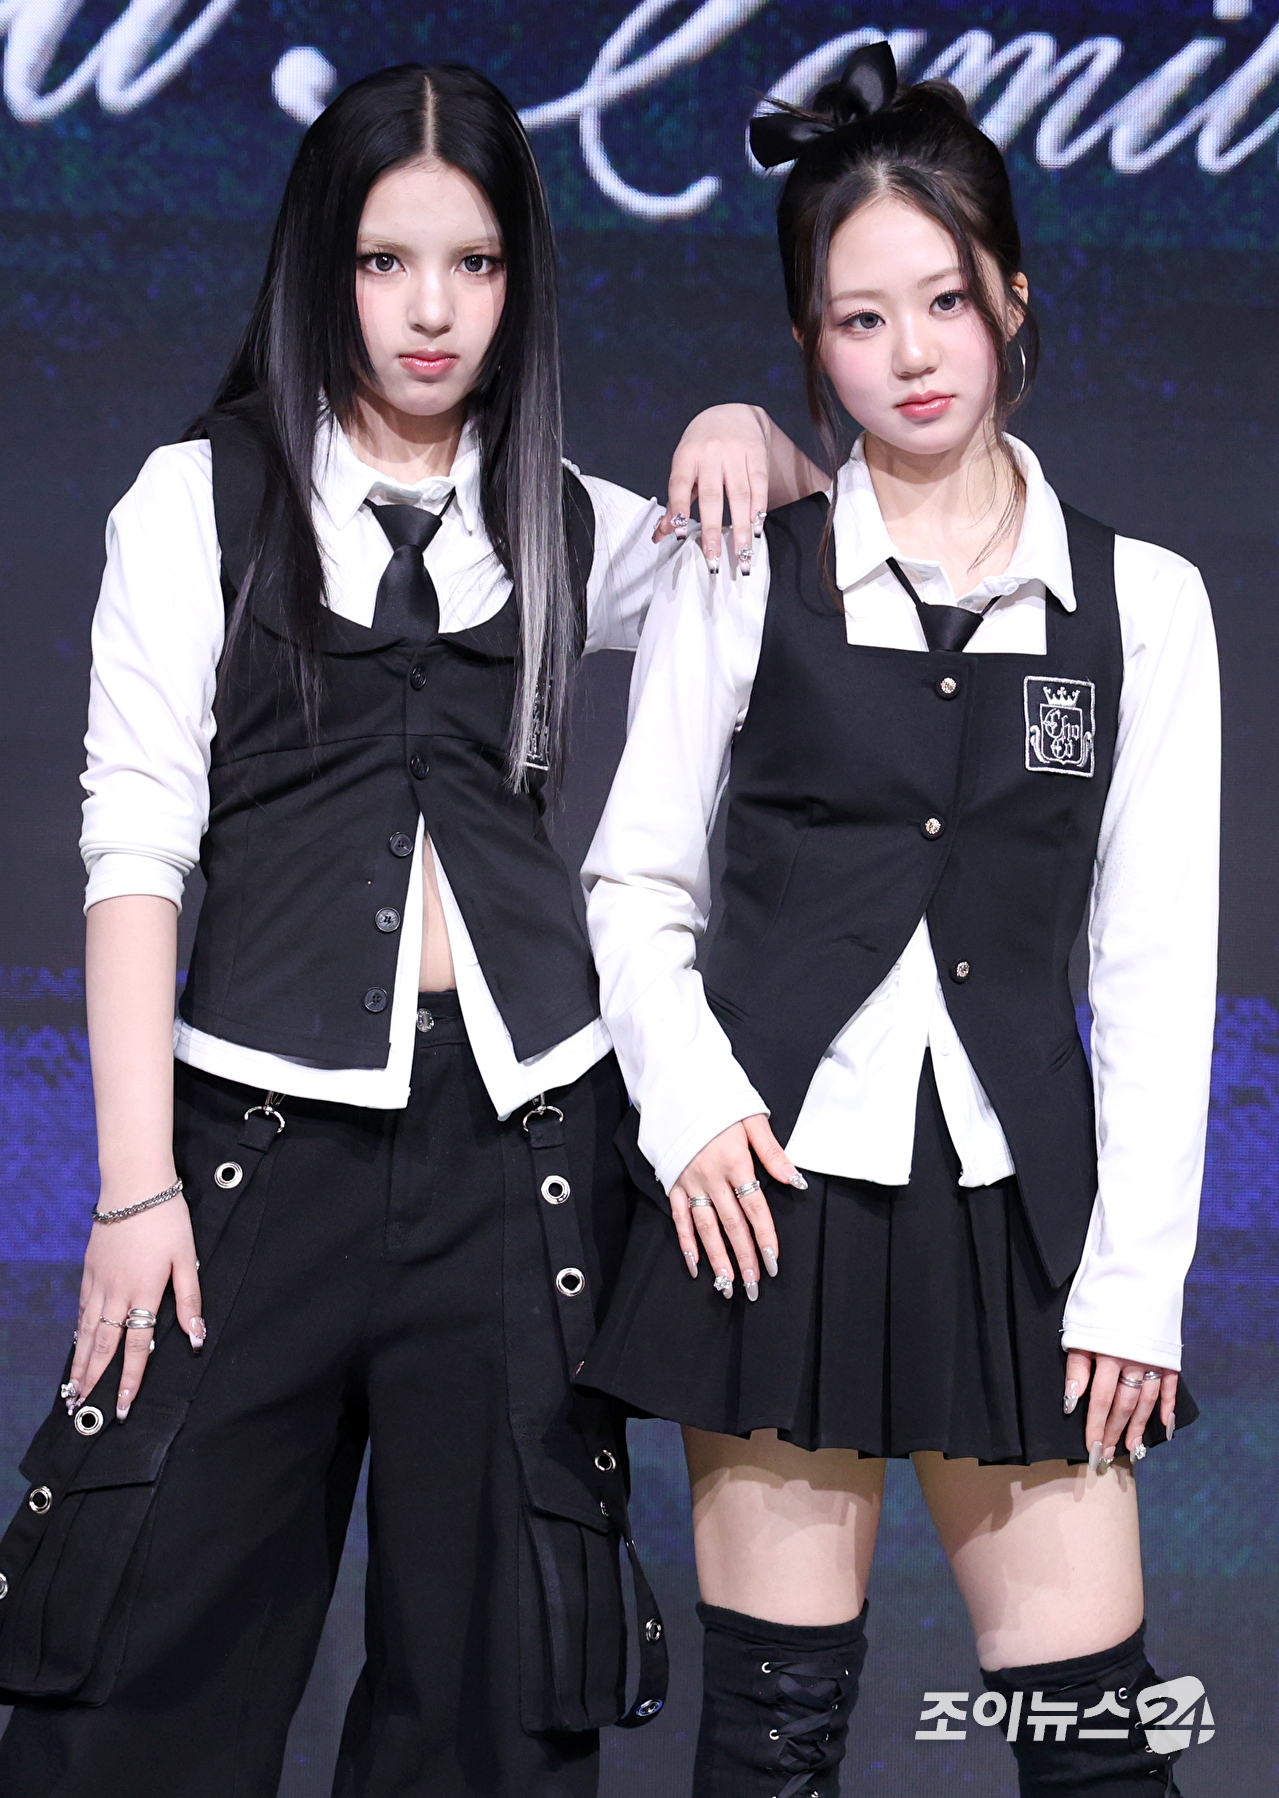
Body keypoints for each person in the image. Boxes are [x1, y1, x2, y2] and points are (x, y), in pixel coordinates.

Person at [0, 61, 825, 1798]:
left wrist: (759, 437)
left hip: (523, 1165)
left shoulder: (563, 514)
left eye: (474, 262)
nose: (431, 309)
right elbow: (133, 847)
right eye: (387, 261)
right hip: (250, 1159)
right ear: (325, 264)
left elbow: (797, 555)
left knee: (493, 1706)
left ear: (520, 277)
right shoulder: (195, 501)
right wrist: (134, 1188)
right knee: (135, 1673)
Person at [577, 42, 1216, 1798]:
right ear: (811, 341)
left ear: (1013, 295)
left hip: (1022, 1222)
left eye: (944, 299)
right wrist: (693, 1107)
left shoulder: (1144, 604)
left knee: (1098, 1741)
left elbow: (1154, 971)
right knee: (774, 1744)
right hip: (771, 1206)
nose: (912, 352)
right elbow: (636, 881)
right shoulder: (745, 563)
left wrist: (1135, 1280)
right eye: (861, 320)